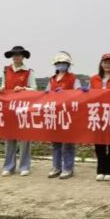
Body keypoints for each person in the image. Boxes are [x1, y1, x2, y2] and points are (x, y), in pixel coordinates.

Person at [85, 53, 110, 181]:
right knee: (99, 144)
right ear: (101, 64)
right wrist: (84, 92)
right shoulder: (94, 79)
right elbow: (89, 96)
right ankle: (101, 169)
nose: (107, 65)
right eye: (105, 62)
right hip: (97, 114)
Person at [0, 46, 37, 177]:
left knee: (25, 138)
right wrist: (1, 88)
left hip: (24, 108)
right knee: (9, 138)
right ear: (12, 57)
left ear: (23, 57)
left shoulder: (29, 71)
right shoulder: (6, 70)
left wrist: (23, 88)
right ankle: (9, 166)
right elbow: (3, 85)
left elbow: (34, 89)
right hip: (9, 108)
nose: (17, 57)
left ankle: (24, 166)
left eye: (19, 55)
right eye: (14, 55)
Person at [46, 51, 81, 180]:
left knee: (68, 143)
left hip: (68, 114)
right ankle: (56, 166)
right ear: (55, 64)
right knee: (55, 143)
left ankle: (68, 168)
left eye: (64, 63)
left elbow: (78, 93)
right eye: (59, 63)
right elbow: (46, 94)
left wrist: (66, 93)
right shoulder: (52, 79)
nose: (61, 65)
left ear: (68, 65)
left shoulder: (73, 78)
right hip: (55, 114)